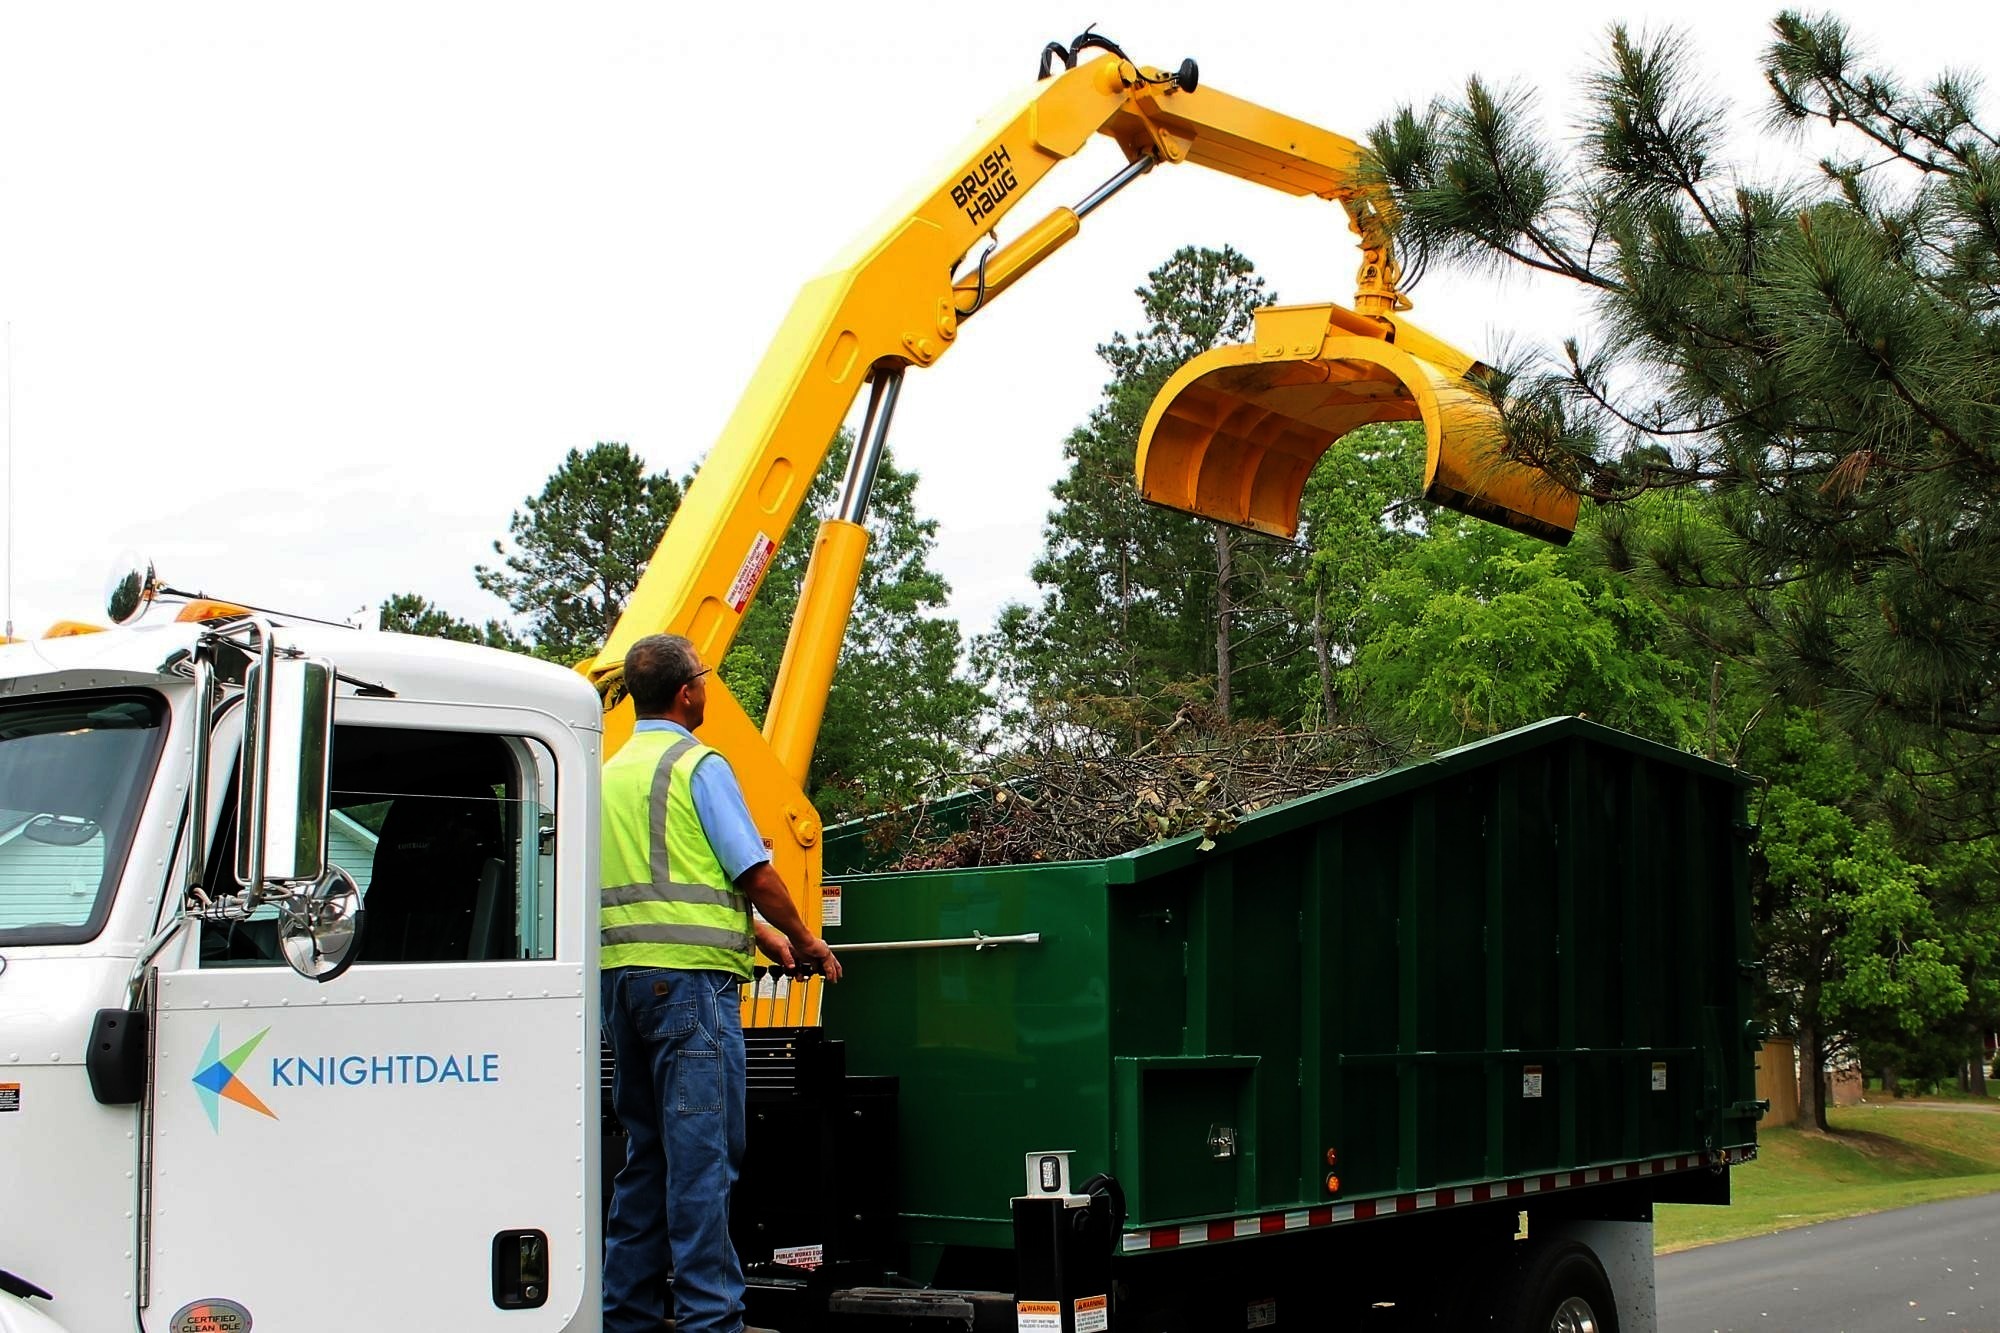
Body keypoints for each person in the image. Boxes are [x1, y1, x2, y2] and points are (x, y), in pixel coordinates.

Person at [599, 632, 842, 1333]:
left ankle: (628, 1319)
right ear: (686, 692)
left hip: (625, 988)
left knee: (645, 1157)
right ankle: (712, 1323)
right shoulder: (697, 765)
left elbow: (670, 880)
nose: (706, 687)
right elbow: (754, 871)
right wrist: (803, 936)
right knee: (702, 1162)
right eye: (704, 678)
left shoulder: (611, 771)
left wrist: (757, 936)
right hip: (691, 996)